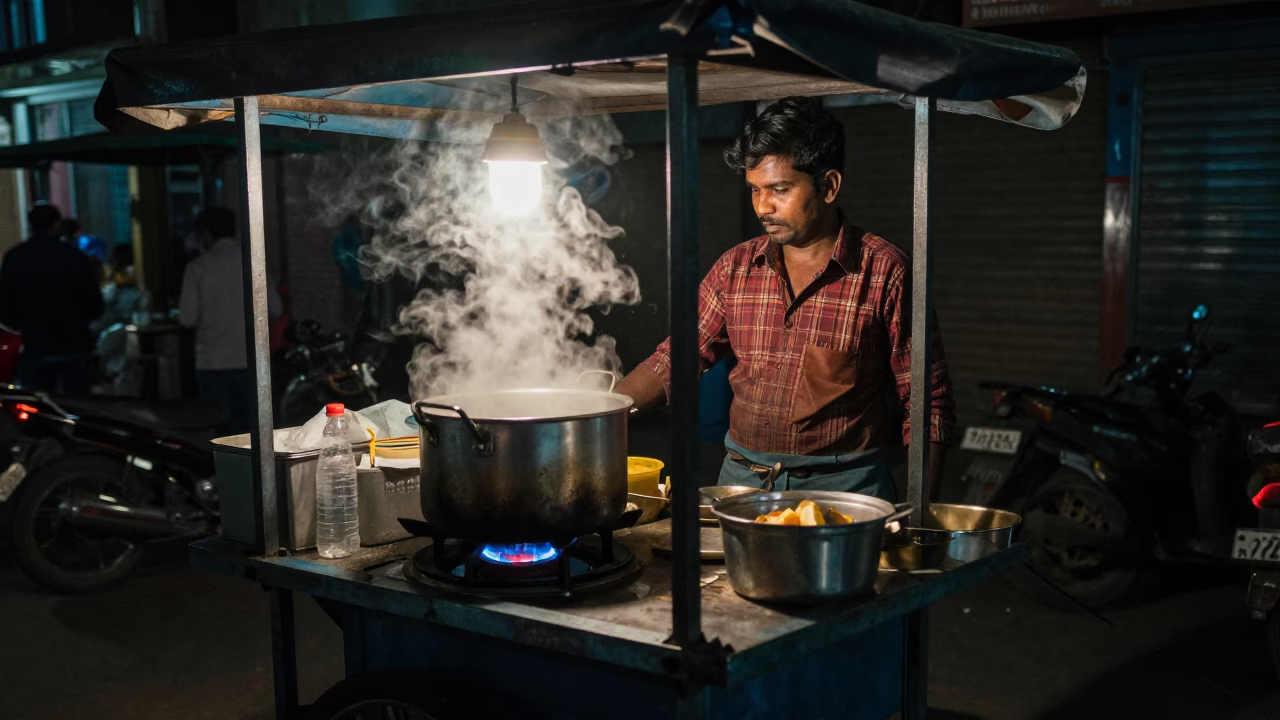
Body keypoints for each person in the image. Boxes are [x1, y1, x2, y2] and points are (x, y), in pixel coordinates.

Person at [615, 97, 956, 500]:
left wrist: (918, 515)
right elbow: (677, 357)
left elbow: (928, 404)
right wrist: (605, 412)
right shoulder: (735, 268)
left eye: (780, 189)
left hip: (845, 490)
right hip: (742, 482)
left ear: (828, 186)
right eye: (754, 190)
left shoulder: (885, 273)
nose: (763, 206)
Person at [178, 206, 281, 433]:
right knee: (253, 432)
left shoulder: (197, 268)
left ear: (205, 234)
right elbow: (276, 307)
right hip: (252, 360)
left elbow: (187, 319)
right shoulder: (254, 262)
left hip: (213, 362)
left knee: (221, 432)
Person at [0, 203, 104, 394]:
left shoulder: (15, 258)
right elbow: (95, 305)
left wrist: (23, 326)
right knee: (79, 404)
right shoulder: (75, 257)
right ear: (56, 224)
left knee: (37, 403)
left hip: (34, 345)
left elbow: (5, 307)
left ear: (30, 225)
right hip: (74, 344)